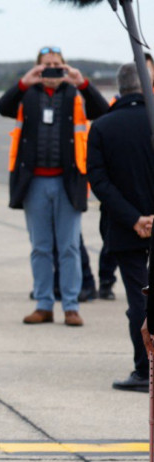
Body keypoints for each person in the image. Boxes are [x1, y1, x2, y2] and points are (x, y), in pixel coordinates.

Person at [0, 45, 108, 327]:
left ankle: (71, 306)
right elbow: (2, 106)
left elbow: (102, 110)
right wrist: (24, 82)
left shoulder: (75, 93)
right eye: (46, 65)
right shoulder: (27, 94)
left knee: (69, 247)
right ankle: (44, 304)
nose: (52, 70)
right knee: (41, 247)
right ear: (37, 67)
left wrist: (81, 82)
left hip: (68, 182)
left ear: (65, 66)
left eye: (57, 64)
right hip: (34, 183)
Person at [86, 63, 154, 393]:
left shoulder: (102, 126)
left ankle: (144, 369)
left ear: (120, 87)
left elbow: (99, 181)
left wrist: (134, 219)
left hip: (125, 227)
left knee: (138, 299)